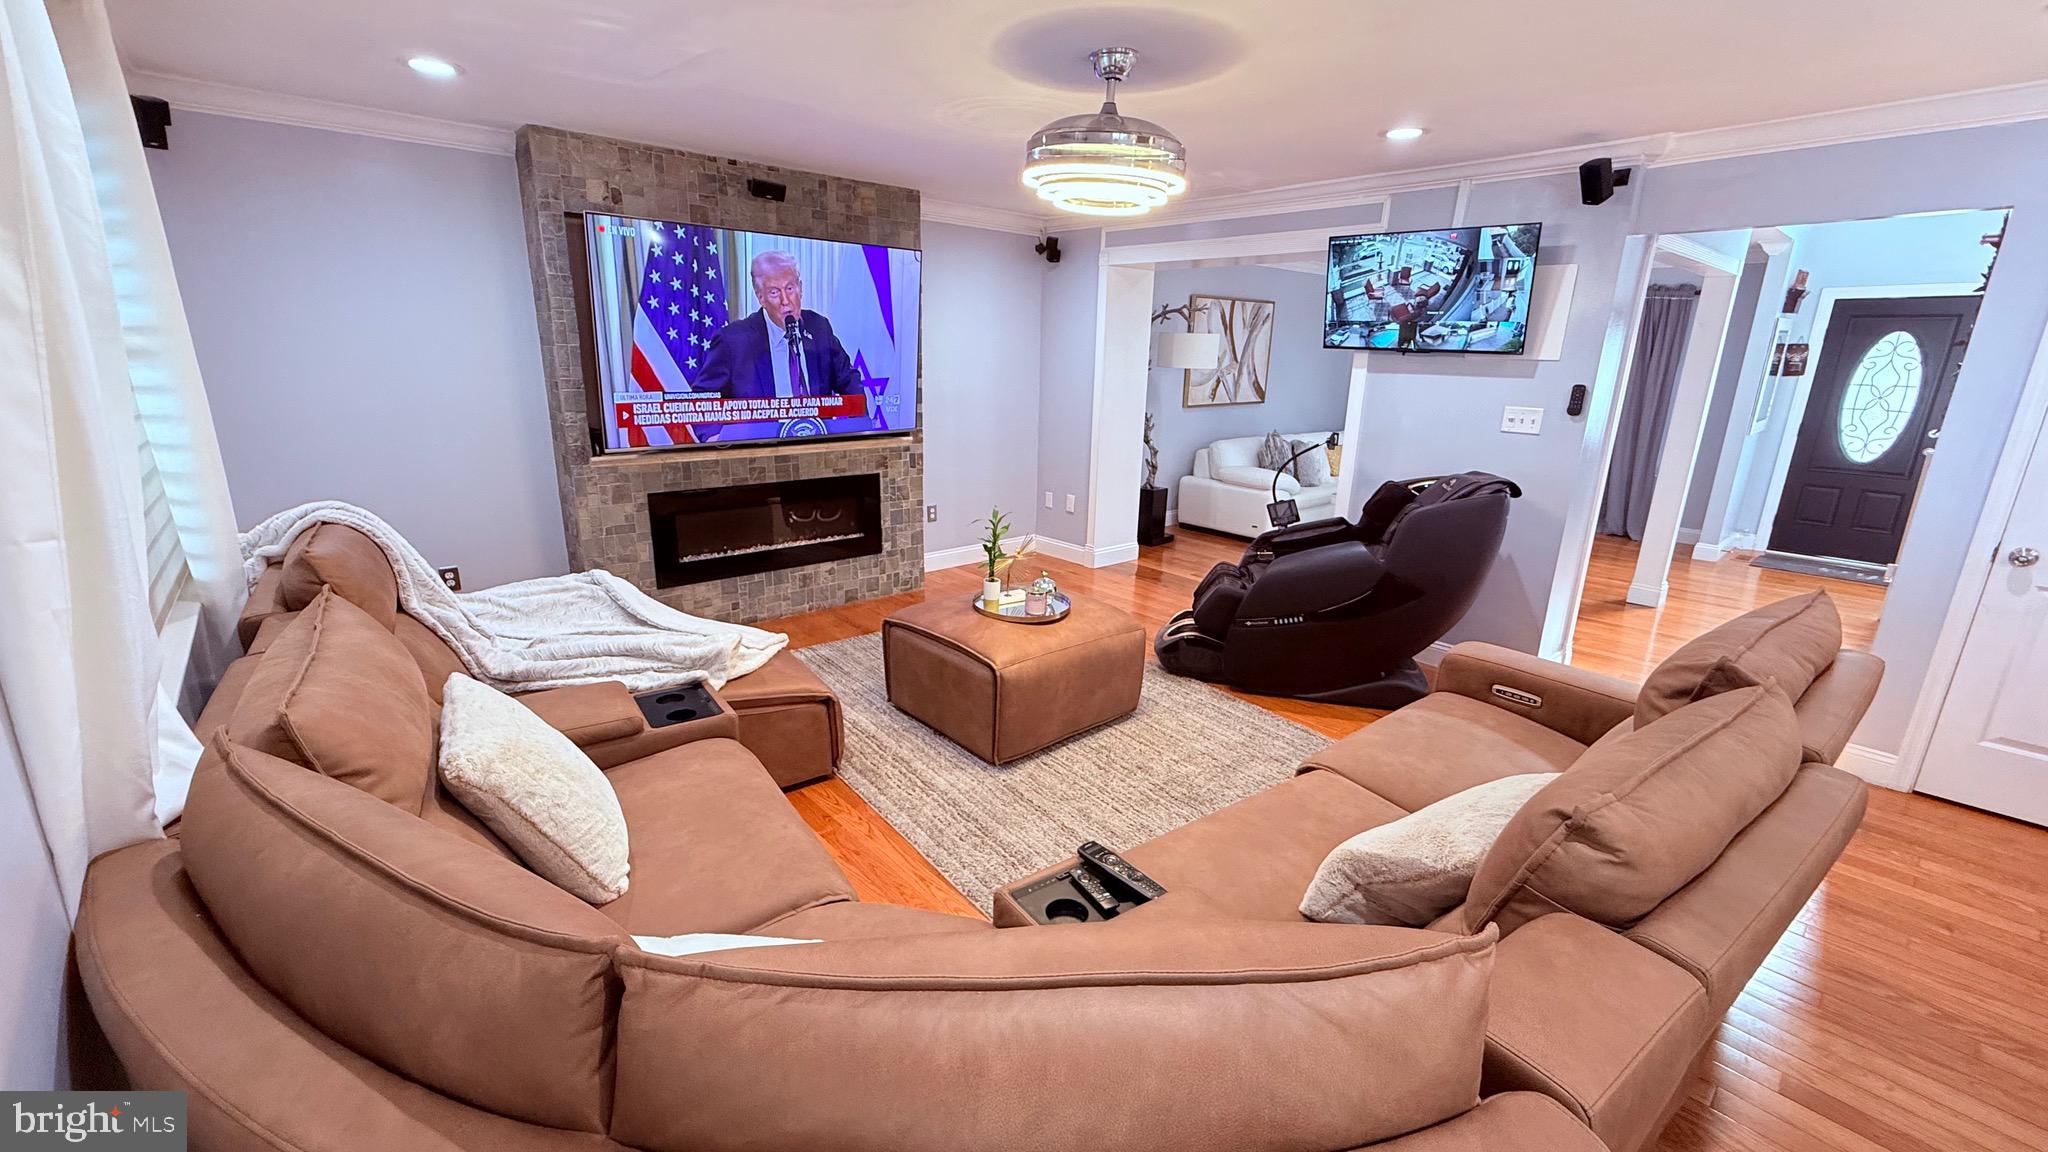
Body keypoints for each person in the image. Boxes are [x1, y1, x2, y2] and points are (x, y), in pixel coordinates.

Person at [693, 250, 864, 399]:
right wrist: (713, 436)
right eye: (774, 292)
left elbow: (850, 381)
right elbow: (704, 396)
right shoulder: (732, 341)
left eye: (790, 288)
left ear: (800, 288)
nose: (785, 301)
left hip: (817, 434)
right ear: (761, 297)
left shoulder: (819, 328)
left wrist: (860, 426)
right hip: (762, 437)